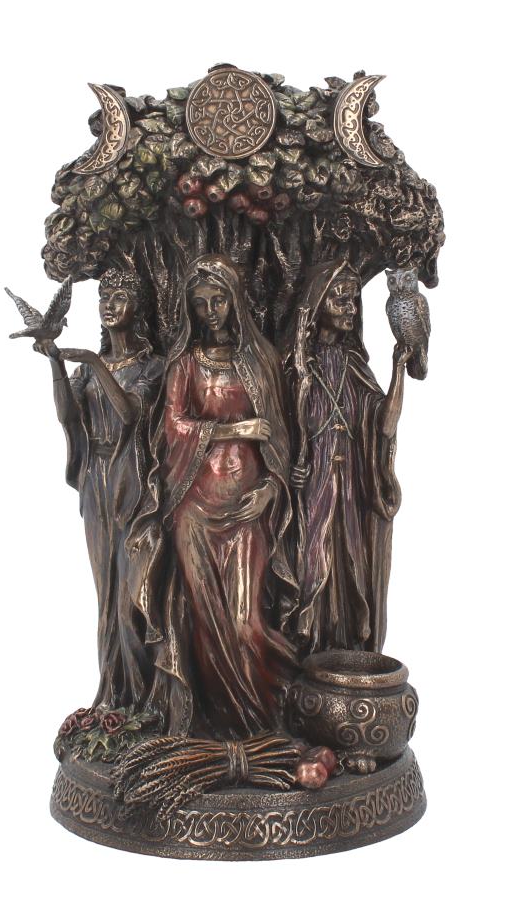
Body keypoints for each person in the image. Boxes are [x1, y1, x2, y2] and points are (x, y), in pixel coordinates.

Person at [129, 254, 298, 738]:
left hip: (247, 506)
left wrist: (271, 489)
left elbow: (281, 439)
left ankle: (265, 725)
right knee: (205, 621)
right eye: (200, 303)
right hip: (195, 509)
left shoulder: (259, 361)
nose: (211, 311)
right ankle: (217, 733)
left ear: (235, 299)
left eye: (218, 299)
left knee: (246, 623)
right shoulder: (185, 365)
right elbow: (173, 426)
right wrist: (234, 429)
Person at [34, 268, 163, 710]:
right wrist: (55, 360)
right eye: (104, 297)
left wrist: (93, 361)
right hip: (96, 478)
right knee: (105, 589)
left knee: (132, 591)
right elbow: (67, 415)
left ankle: (147, 695)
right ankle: (114, 692)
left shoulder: (152, 366)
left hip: (132, 478)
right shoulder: (88, 371)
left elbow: (130, 414)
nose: (109, 305)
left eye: (119, 297)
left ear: (138, 307)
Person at [284, 260, 410, 654]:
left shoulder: (355, 365)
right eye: (340, 299)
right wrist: (291, 464)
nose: (349, 308)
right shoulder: (298, 365)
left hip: (352, 477)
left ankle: (345, 644)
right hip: (314, 479)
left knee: (352, 560)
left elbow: (384, 424)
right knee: (313, 558)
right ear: (318, 302)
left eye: (353, 300)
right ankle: (305, 643)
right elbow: (281, 423)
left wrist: (398, 370)